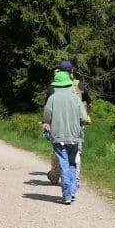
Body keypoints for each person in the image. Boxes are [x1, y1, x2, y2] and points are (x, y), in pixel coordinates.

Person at [42, 70, 88, 205]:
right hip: (74, 136)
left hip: (58, 136)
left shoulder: (52, 98)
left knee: (64, 163)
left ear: (56, 85)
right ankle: (72, 190)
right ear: (69, 84)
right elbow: (84, 118)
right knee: (72, 163)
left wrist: (48, 123)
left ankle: (67, 194)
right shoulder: (75, 98)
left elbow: (47, 117)